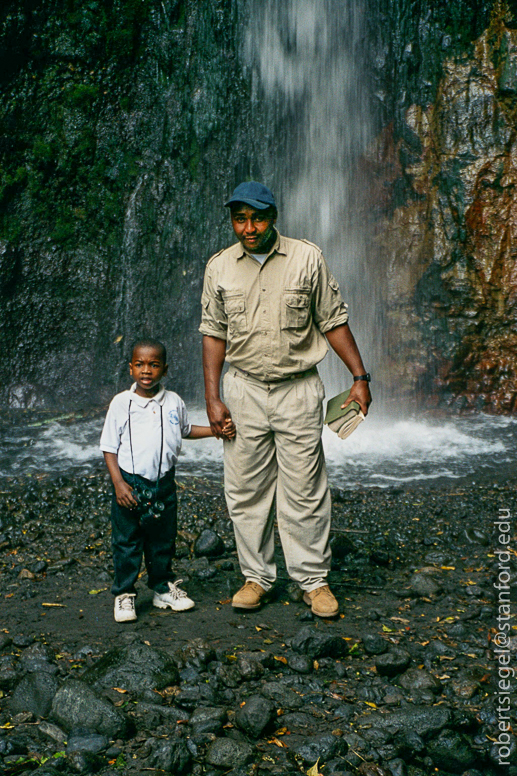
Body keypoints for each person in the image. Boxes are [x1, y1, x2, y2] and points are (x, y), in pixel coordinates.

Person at [199, 181, 371, 618]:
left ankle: (313, 581)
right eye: (240, 219)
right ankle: (256, 577)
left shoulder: (306, 258)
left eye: (256, 218)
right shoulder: (219, 268)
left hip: (298, 388)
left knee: (306, 489)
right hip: (244, 390)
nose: (248, 227)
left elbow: (333, 321)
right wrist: (212, 397)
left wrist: (359, 376)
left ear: (273, 216)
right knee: (245, 490)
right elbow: (213, 334)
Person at [100, 339, 235, 623]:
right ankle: (124, 594)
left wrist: (215, 432)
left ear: (165, 369)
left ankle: (162, 587)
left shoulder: (174, 401)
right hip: (130, 484)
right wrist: (118, 484)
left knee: (162, 539)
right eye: (140, 364)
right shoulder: (121, 404)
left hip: (164, 484)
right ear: (130, 369)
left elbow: (185, 430)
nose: (146, 370)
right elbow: (109, 446)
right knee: (127, 541)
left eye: (153, 365)